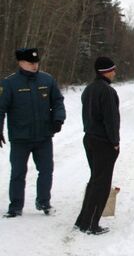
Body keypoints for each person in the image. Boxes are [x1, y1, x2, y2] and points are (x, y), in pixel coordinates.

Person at [0, 48, 66, 218]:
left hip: (43, 136)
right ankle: (15, 206)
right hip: (20, 137)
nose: (34, 65)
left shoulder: (47, 80)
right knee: (18, 173)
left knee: (46, 170)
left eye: (36, 62)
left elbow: (58, 101)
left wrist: (58, 119)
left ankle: (44, 202)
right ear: (21, 62)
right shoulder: (9, 83)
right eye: (31, 63)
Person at [75, 57, 120, 235]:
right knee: (101, 184)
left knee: (94, 180)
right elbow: (111, 120)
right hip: (104, 142)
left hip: (90, 139)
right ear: (106, 71)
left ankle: (83, 221)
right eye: (113, 69)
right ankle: (91, 224)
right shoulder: (108, 91)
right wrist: (115, 142)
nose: (115, 73)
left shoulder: (88, 89)